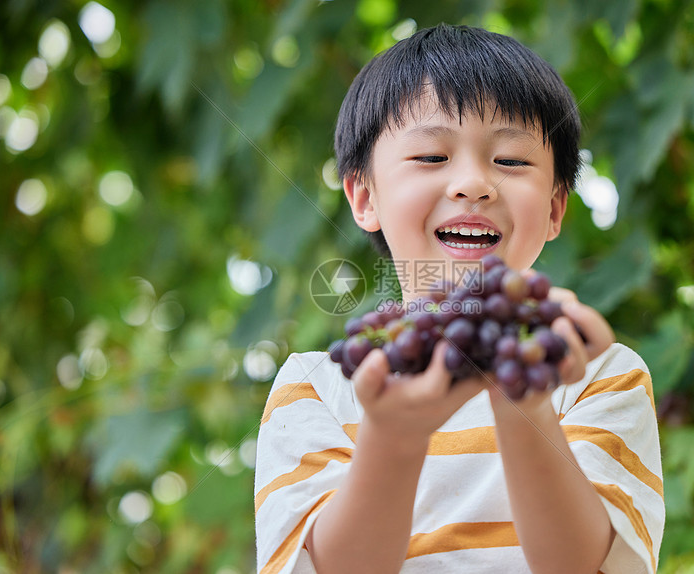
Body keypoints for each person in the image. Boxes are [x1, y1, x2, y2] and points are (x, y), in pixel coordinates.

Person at [255, 23, 663, 574]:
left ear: (554, 210)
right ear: (364, 196)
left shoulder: (596, 374)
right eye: (430, 156)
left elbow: (584, 565)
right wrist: (393, 440)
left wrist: (527, 402)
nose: (473, 184)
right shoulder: (317, 388)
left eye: (512, 161)